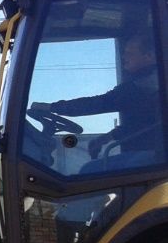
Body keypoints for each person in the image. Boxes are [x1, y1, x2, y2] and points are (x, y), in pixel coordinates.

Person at [31, 35, 161, 163]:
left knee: (87, 171)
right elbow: (139, 124)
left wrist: (51, 107)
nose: (124, 57)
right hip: (150, 151)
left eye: (129, 53)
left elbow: (95, 104)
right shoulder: (152, 82)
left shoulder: (141, 86)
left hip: (151, 156)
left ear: (149, 56)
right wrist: (104, 139)